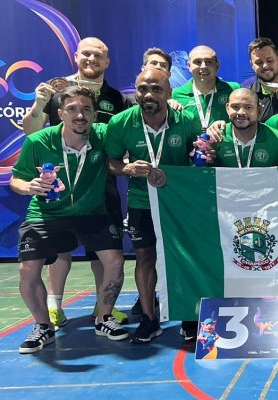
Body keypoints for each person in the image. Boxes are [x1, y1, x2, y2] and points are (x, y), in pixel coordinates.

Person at [22, 37, 131, 327]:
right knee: (61, 249)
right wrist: (39, 101)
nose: (92, 59)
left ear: (107, 61)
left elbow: (120, 140)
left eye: (99, 55)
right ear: (76, 56)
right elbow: (30, 129)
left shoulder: (116, 97)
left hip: (99, 181)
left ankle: (102, 307)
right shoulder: (58, 91)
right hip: (62, 183)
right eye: (87, 54)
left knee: (104, 250)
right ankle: (54, 306)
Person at [11, 86, 128, 353]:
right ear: (61, 113)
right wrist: (28, 186)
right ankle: (43, 326)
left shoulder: (103, 136)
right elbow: (16, 179)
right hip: (46, 214)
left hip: (91, 213)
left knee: (114, 261)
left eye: (86, 109)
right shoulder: (38, 141)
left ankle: (104, 318)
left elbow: (130, 130)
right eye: (73, 109)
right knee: (27, 271)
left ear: (95, 114)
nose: (80, 115)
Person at [106, 69, 204, 344]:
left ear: (169, 92)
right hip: (141, 202)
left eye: (156, 89)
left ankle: (189, 316)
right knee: (145, 257)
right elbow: (110, 162)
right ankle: (150, 319)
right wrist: (126, 167)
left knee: (184, 256)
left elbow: (201, 155)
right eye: (142, 89)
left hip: (179, 203)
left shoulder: (187, 120)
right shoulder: (120, 123)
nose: (148, 95)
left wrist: (202, 156)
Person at [212, 88, 278, 168]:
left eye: (248, 107)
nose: (241, 112)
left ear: (259, 111)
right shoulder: (215, 138)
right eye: (235, 107)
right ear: (227, 108)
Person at [172, 45, 241, 130]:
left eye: (209, 61)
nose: (203, 66)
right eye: (197, 62)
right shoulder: (176, 95)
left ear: (217, 65)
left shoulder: (234, 90)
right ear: (189, 66)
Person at [246, 37, 278, 122]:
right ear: (252, 65)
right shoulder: (248, 96)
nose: (265, 66)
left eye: (269, 60)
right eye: (259, 62)